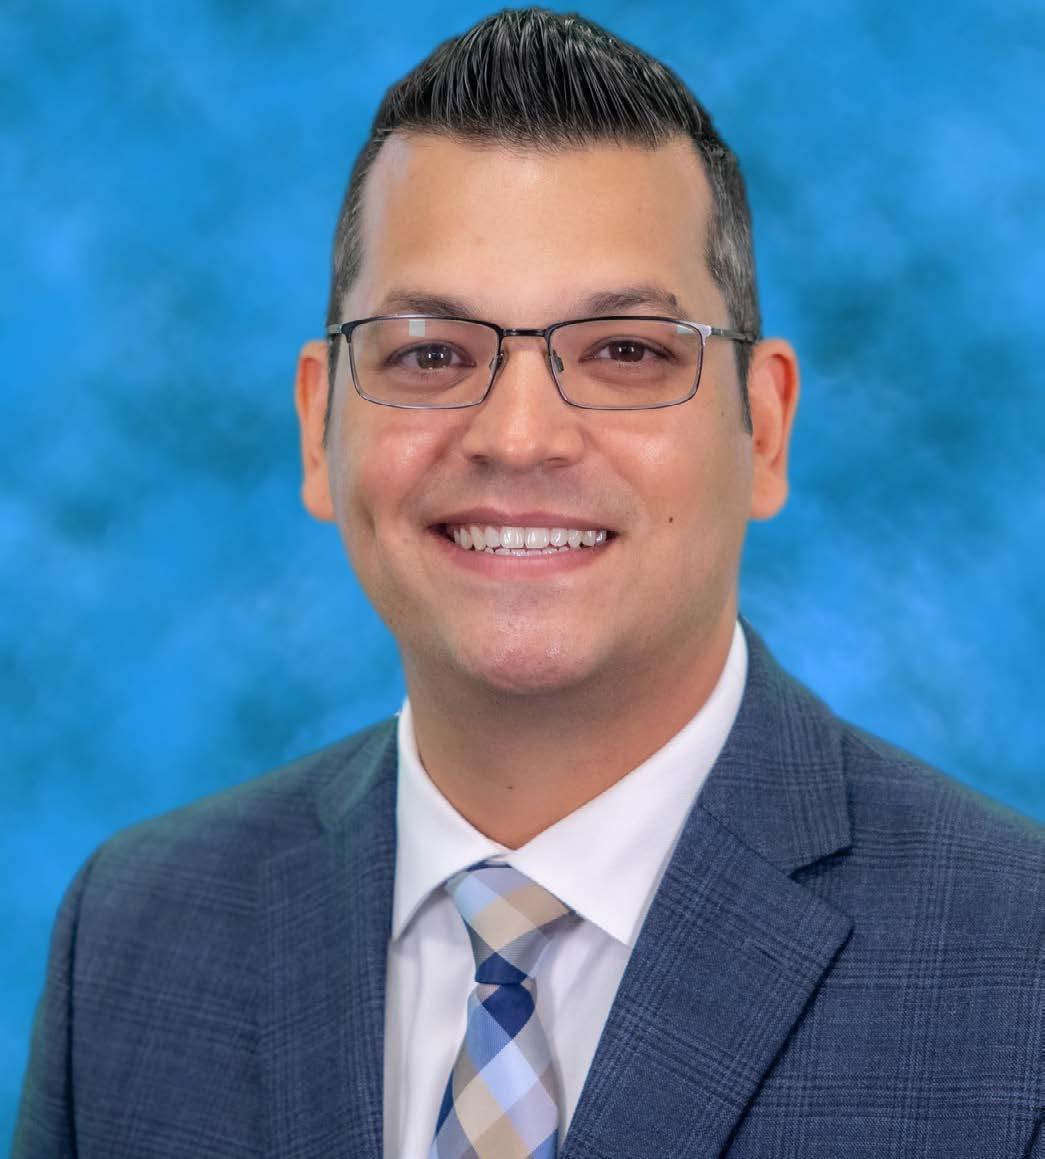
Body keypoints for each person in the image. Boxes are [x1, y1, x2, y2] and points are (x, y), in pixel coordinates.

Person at [13, 8, 1044, 1158]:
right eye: (430, 353)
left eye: (624, 352)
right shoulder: (136, 937)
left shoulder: (1020, 964)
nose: (517, 437)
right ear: (318, 426)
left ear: (762, 428)